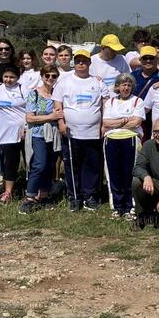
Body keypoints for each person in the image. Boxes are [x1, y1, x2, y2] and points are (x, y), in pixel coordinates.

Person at [53, 49, 107, 211]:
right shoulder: (64, 82)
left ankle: (90, 195)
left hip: (93, 132)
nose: (81, 63)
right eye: (78, 61)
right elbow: (57, 104)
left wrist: (104, 125)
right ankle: (75, 196)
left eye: (84, 61)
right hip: (71, 133)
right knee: (72, 165)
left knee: (92, 165)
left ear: (90, 63)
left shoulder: (98, 82)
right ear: (74, 63)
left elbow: (105, 104)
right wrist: (61, 123)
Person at [102, 74, 146, 220]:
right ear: (118, 87)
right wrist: (125, 120)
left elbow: (137, 122)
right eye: (123, 85)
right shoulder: (110, 102)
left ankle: (130, 206)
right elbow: (106, 122)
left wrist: (116, 123)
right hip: (111, 140)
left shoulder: (137, 101)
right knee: (113, 174)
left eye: (128, 85)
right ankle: (117, 206)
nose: (126, 88)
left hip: (130, 139)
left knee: (129, 173)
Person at [20, 65, 62, 214]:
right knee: (39, 164)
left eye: (53, 76)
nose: (50, 78)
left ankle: (44, 195)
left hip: (54, 135)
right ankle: (30, 197)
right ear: (42, 76)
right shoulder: (34, 94)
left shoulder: (58, 94)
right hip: (38, 134)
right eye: (47, 75)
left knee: (50, 165)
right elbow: (30, 117)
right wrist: (50, 117)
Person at [0, 65, 27, 203]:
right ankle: (8, 192)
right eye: (6, 76)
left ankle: (31, 190)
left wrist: (26, 127)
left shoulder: (23, 89)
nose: (8, 80)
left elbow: (31, 108)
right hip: (5, 133)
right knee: (10, 163)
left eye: (12, 77)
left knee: (30, 162)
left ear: (17, 77)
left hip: (23, 132)